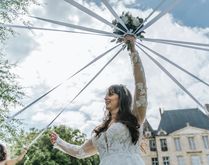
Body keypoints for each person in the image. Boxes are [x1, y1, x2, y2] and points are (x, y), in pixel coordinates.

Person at [50, 34, 147, 165]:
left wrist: (133, 50)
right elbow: (79, 152)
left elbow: (140, 84)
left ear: (122, 98)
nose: (106, 98)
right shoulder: (101, 131)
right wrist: (59, 141)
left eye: (111, 94)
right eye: (106, 94)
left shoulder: (134, 118)